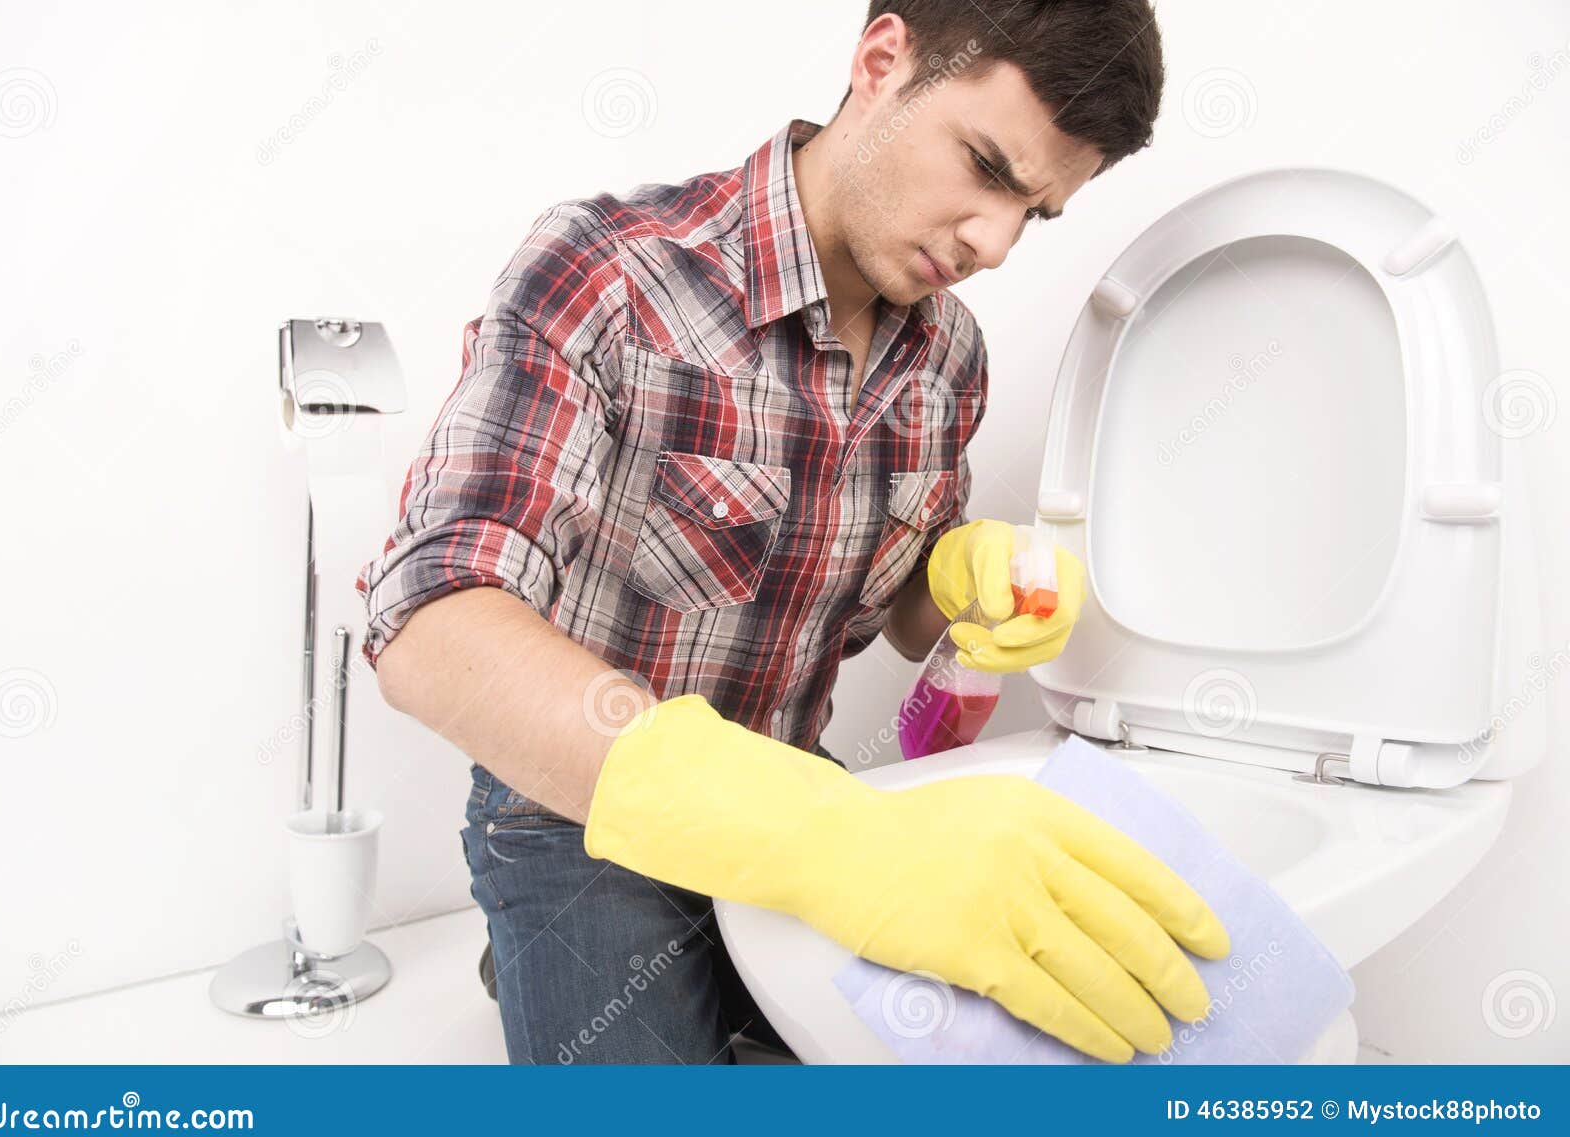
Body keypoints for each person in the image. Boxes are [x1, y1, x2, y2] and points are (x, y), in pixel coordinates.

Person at [357, 0, 1231, 1065]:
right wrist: (830, 839)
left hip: (804, 794)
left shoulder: (946, 354)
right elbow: (428, 623)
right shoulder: (613, 271)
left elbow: (903, 616)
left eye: (1034, 214)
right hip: (580, 817)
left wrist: (962, 581)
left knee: (1003, 1058)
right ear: (881, 60)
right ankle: (550, 939)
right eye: (990, 171)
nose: (995, 244)